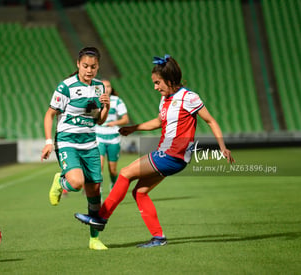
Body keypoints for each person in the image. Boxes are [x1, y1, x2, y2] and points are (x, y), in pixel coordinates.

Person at [75, 54, 235, 248]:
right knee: (140, 193)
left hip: (171, 155)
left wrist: (222, 146)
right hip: (170, 156)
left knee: (125, 173)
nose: (155, 87)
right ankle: (158, 238)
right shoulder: (165, 99)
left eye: (158, 82)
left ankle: (101, 218)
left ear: (170, 80)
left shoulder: (188, 97)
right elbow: (159, 122)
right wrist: (134, 128)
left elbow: (210, 120)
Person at [41, 47, 110, 250]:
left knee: (95, 190)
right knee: (77, 182)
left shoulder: (99, 87)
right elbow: (49, 114)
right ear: (78, 65)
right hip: (67, 140)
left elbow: (98, 121)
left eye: (93, 67)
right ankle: (61, 181)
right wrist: (47, 142)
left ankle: (94, 239)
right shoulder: (66, 87)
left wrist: (105, 106)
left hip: (89, 142)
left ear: (98, 67)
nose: (89, 70)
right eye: (86, 66)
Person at [95, 79, 129, 190]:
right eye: (104, 86)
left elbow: (125, 120)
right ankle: (97, 189)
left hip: (114, 138)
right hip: (99, 137)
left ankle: (113, 183)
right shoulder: (95, 100)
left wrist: (114, 123)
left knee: (112, 170)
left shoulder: (117, 101)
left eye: (108, 86)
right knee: (99, 167)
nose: (107, 89)